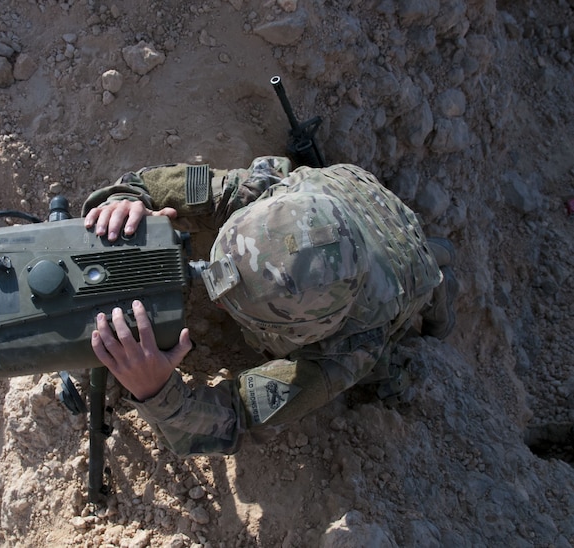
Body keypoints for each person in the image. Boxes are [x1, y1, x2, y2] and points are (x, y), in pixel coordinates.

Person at [81, 157, 458, 456]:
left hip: (406, 266)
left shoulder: (349, 348)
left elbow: (241, 419)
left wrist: (159, 393)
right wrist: (125, 202)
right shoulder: (264, 196)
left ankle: (442, 285)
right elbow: (152, 184)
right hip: (355, 200)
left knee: (390, 374)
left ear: (311, 331)